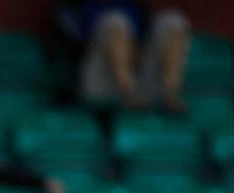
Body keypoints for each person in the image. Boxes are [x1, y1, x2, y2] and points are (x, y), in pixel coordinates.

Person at [61, 2, 190, 112]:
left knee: (173, 22)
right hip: (100, 80)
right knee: (115, 21)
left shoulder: (134, 5)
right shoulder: (74, 4)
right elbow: (74, 44)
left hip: (141, 79)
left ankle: (170, 91)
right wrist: (120, 45)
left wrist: (135, 48)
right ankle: (129, 91)